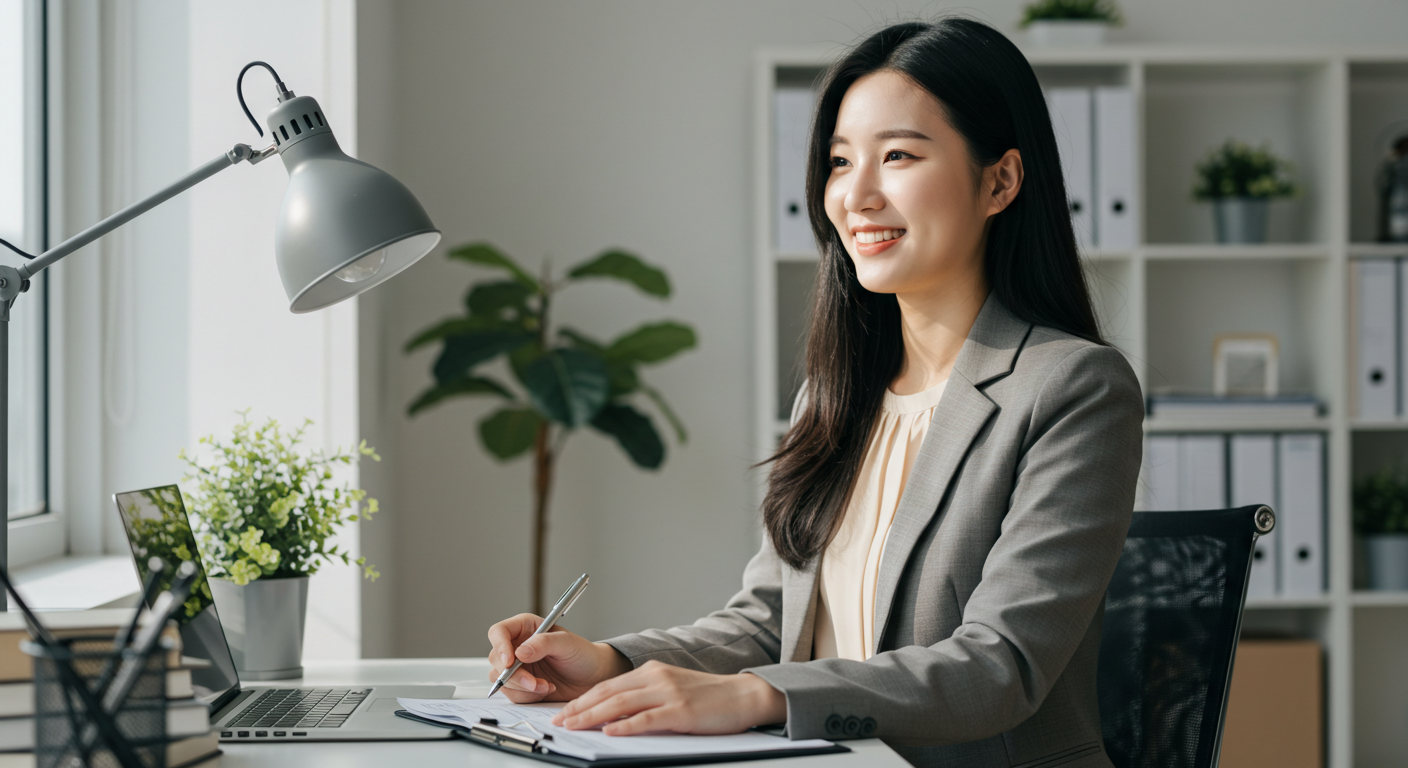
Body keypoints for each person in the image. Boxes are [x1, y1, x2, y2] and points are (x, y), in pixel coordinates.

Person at [486, 17, 1143, 768]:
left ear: (1000, 181)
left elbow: (999, 667)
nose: (856, 195)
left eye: (897, 156)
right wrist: (608, 660)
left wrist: (760, 696)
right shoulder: (834, 397)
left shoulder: (1072, 389)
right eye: (838, 161)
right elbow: (772, 623)